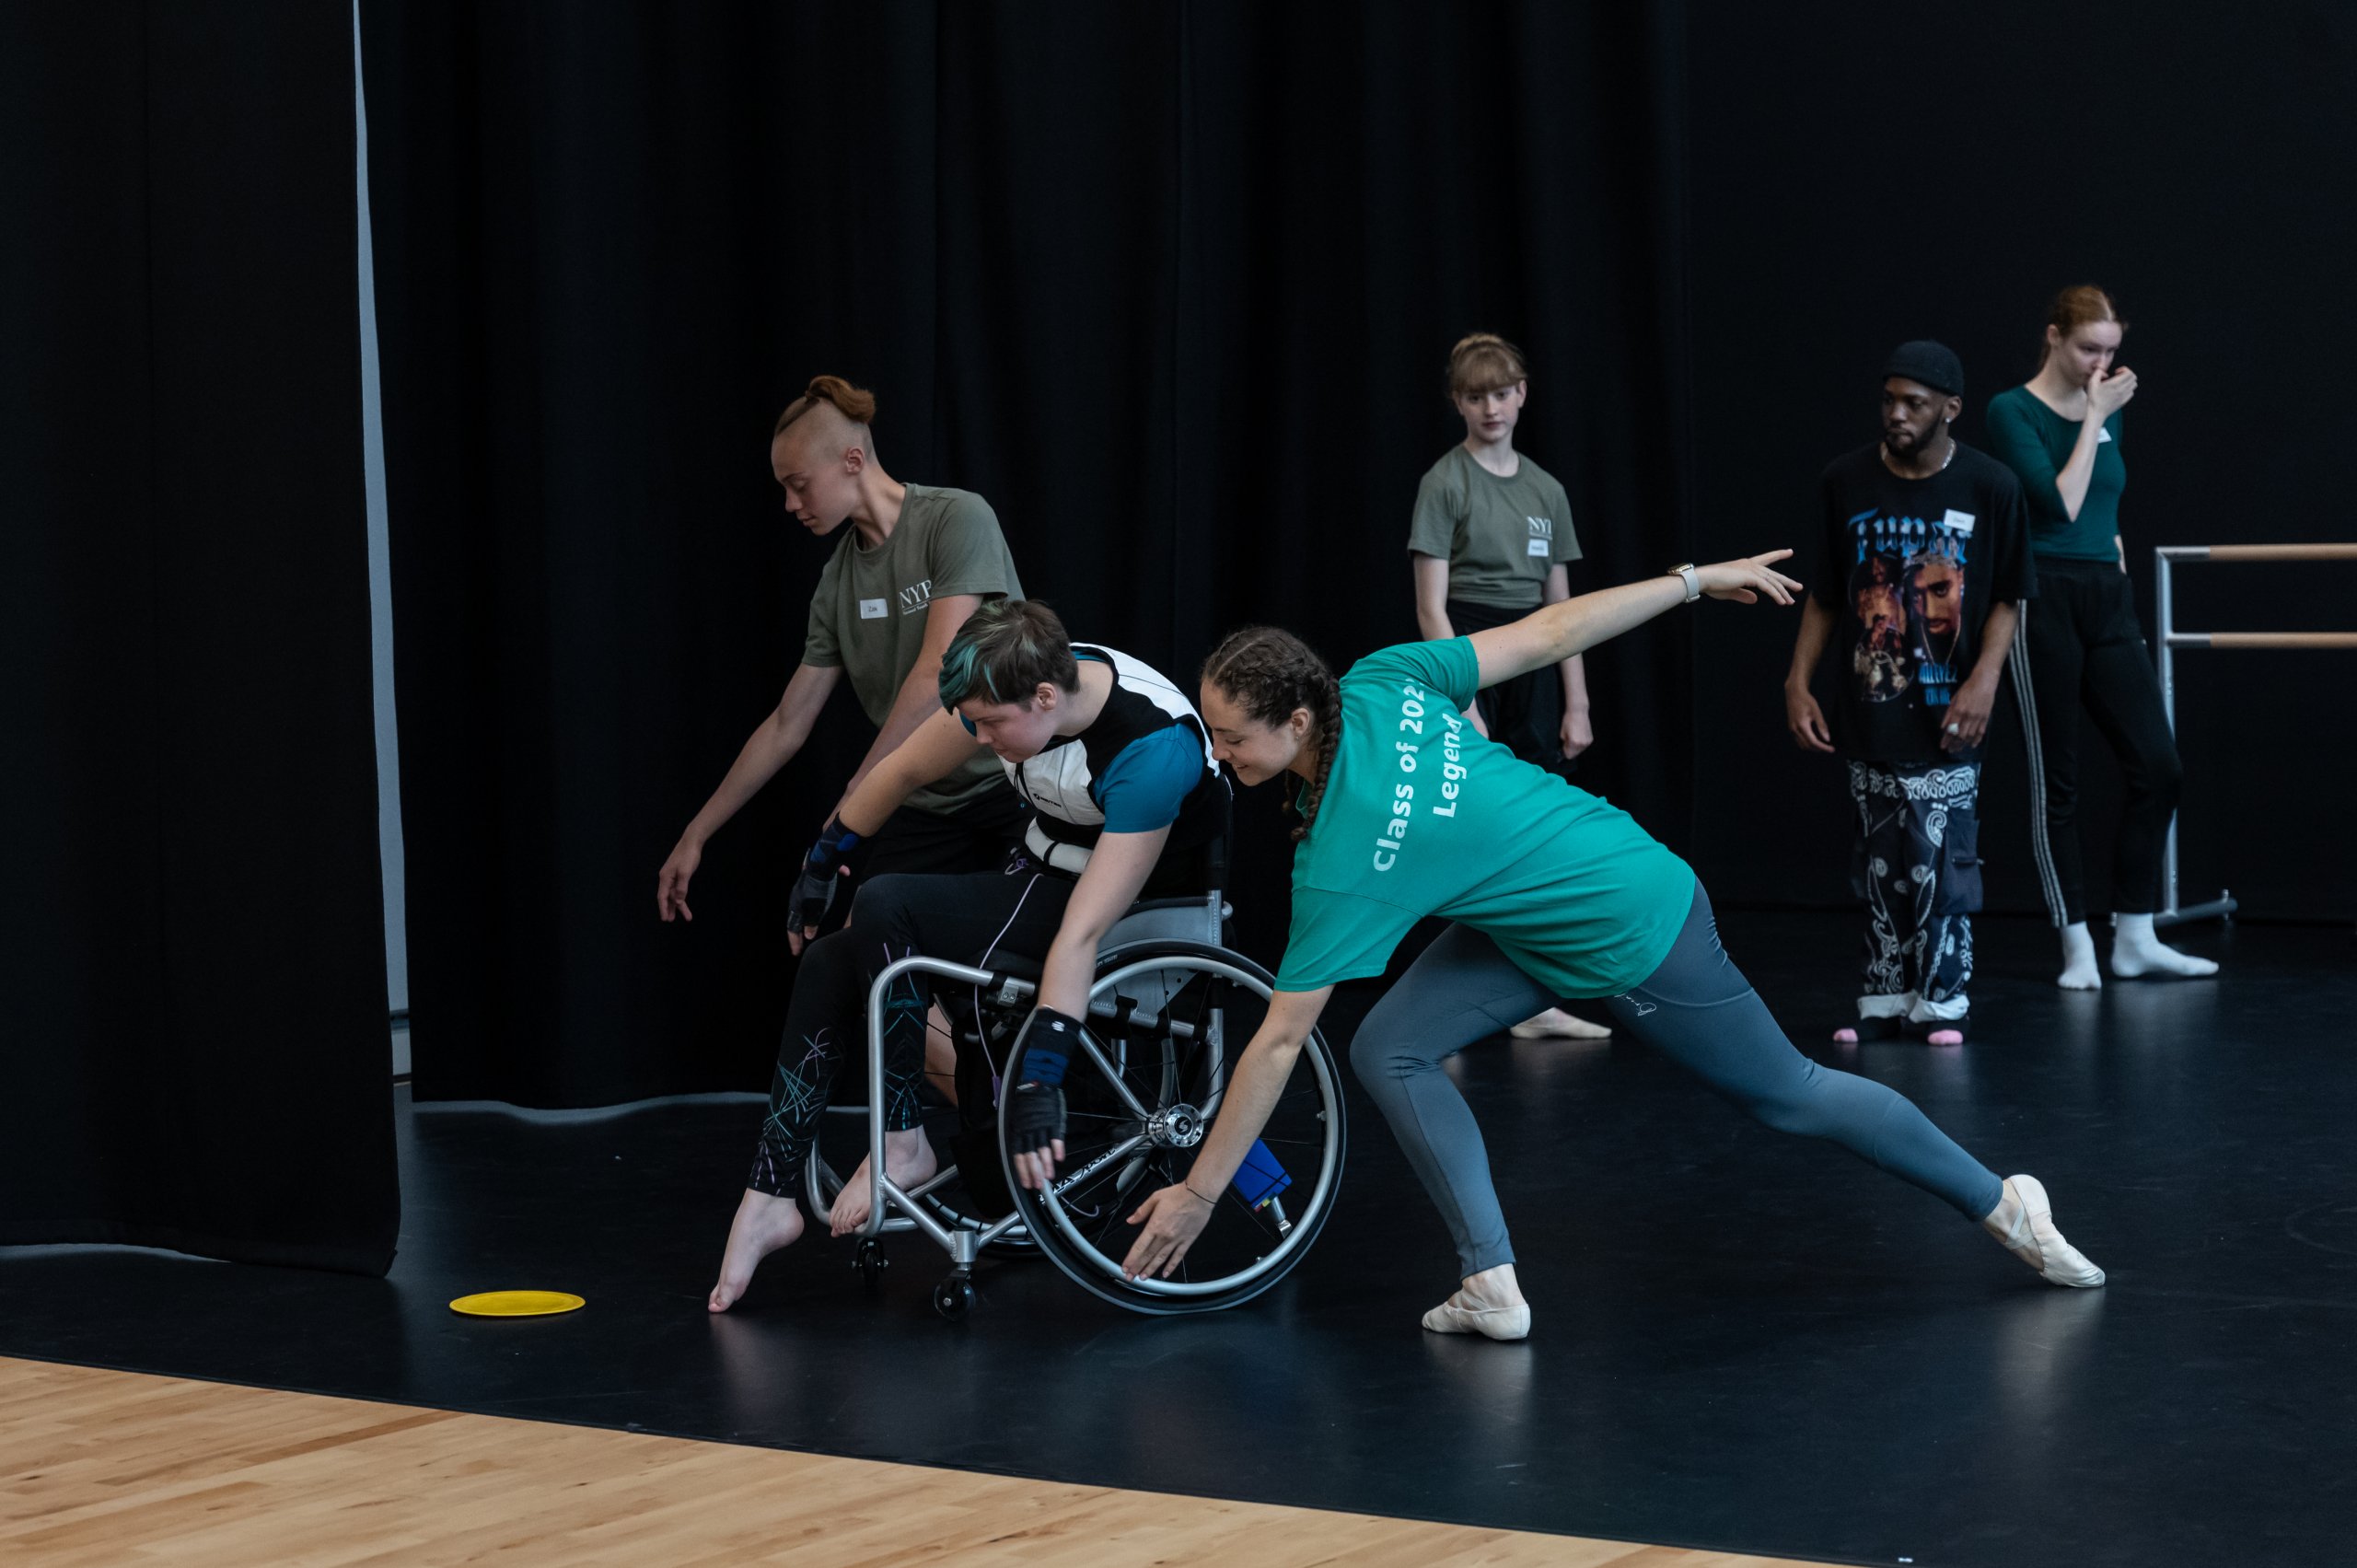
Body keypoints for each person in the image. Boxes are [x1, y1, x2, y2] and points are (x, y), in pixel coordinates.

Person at [1035, 558, 2106, 1342]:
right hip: (1539, 908)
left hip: (1628, 922)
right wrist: (1688, 580)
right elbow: (1549, 636)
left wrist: (1199, 1194)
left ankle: (2003, 1199)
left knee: (1786, 1092)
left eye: (1231, 739)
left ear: (1300, 717)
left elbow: (1273, 1046)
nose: (1218, 756)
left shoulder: (1342, 858)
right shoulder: (1382, 678)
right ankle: (1489, 1280)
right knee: (1390, 1046)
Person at [708, 599, 1226, 1312]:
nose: (979, 739)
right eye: (972, 723)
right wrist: (822, 864)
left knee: (890, 903)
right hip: (1047, 871)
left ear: (1046, 697)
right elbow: (896, 773)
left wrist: (1042, 1079)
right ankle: (769, 1193)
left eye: (990, 724)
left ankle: (903, 1138)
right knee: (832, 957)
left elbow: (1078, 934)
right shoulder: (1017, 684)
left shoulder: (1148, 753)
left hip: (1135, 911)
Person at [1784, 343, 2034, 1045]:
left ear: (1950, 409)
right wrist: (1797, 680)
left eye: (1914, 403)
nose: (1896, 413)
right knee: (1880, 856)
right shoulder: (1846, 480)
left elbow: (2010, 596)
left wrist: (1985, 679)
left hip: (1952, 707)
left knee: (1943, 855)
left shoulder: (1991, 485)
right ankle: (1886, 991)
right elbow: (1827, 596)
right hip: (1870, 703)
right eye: (1889, 399)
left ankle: (1944, 995)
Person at [1984, 287, 2217, 987]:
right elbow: (2058, 500)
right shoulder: (2012, 410)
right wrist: (2093, 416)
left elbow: (2105, 499)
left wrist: (2113, 546)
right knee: (2057, 780)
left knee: (2159, 765)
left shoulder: (2110, 406)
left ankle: (2135, 935)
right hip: (2041, 593)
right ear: (2054, 337)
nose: (2102, 364)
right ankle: (2077, 943)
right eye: (2090, 348)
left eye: (2113, 351)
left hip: (2105, 596)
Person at [1407, 331, 1606, 1043]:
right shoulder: (1445, 482)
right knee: (1461, 819)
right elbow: (1431, 605)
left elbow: (1563, 612)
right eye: (1474, 396)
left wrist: (1575, 700)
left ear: (1521, 395)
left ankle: (1533, 1000)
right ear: (1457, 402)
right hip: (1469, 648)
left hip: (1537, 651)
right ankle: (1439, 1009)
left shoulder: (1545, 490)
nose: (1489, 407)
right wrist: (1462, 691)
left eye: (1500, 393)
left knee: (1533, 823)